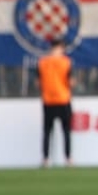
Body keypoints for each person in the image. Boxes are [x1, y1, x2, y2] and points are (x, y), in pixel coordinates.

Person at [37, 38, 73, 168]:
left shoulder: (42, 62)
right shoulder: (66, 62)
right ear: (60, 47)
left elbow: (38, 82)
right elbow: (70, 81)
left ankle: (46, 159)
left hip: (48, 100)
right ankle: (68, 159)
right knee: (66, 131)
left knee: (47, 131)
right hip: (63, 99)